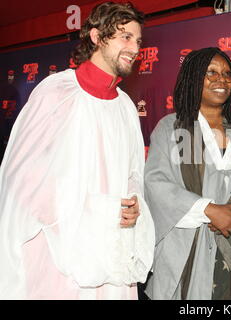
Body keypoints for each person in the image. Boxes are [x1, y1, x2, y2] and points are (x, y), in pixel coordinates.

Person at [0, 2, 155, 299]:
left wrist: (133, 202)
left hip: (111, 253)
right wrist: (89, 211)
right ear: (96, 37)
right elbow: (21, 181)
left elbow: (133, 172)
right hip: (60, 257)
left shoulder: (124, 105)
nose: (134, 48)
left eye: (138, 40)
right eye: (125, 37)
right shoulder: (56, 93)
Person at [144, 47, 231, 299]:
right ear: (194, 77)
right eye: (211, 73)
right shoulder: (171, 128)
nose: (222, 80)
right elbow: (156, 182)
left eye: (228, 74)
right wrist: (207, 210)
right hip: (186, 247)